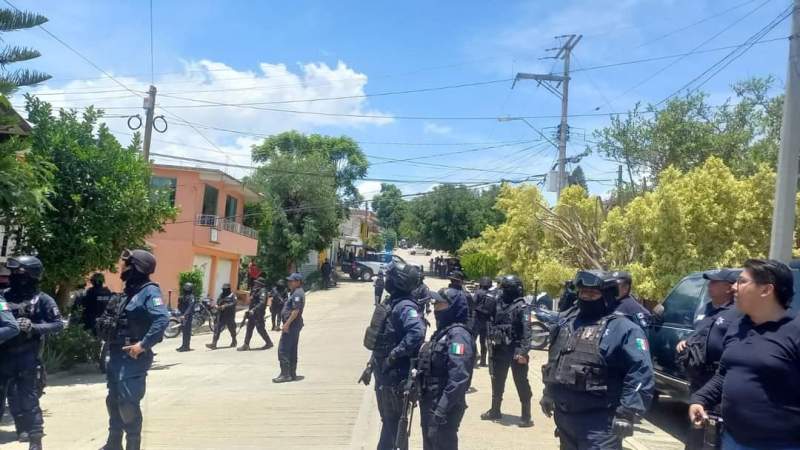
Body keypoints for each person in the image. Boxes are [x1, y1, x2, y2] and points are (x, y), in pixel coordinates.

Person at [690, 259, 800, 450]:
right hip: (732, 440)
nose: (734, 288)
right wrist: (700, 399)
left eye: (742, 281)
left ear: (766, 290)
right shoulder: (737, 327)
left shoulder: (795, 332)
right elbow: (725, 373)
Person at [541, 270, 655, 450]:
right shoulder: (568, 323)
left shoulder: (624, 329)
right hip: (565, 419)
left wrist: (628, 413)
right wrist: (548, 393)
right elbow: (556, 361)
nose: (586, 297)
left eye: (593, 293)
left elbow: (641, 372)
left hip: (600, 425)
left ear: (608, 296)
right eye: (583, 292)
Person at [96, 249, 169, 450]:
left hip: (133, 355)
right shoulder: (130, 292)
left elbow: (162, 318)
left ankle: (133, 445)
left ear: (136, 267)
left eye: (126, 265)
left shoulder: (149, 291)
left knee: (128, 403)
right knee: (113, 400)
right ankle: (113, 442)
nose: (122, 268)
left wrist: (143, 345)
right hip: (117, 353)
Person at [0, 256, 63, 450]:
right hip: (3, 356)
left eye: (18, 274)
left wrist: (33, 327)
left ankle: (35, 441)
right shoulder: (4, 296)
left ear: (31, 275)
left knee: (29, 400)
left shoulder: (42, 299)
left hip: (27, 356)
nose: (13, 278)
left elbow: (58, 324)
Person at [674, 268, 740, 450]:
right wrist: (686, 342)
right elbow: (700, 334)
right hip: (699, 378)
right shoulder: (707, 309)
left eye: (714, 283)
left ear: (728, 288)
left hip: (718, 380)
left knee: (714, 433)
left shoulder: (737, 313)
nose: (709, 286)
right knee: (696, 430)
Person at [368, 261, 426, 450]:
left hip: (395, 376)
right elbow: (382, 339)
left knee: (394, 423)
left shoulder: (405, 306)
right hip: (383, 373)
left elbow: (417, 332)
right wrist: (370, 365)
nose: (386, 281)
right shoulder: (391, 303)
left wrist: (394, 354)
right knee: (389, 421)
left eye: (389, 278)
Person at [418, 289, 475, 450]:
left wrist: (442, 409)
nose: (435, 308)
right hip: (432, 401)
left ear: (452, 307)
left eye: (440, 303)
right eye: (435, 303)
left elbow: (459, 377)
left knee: (442, 443)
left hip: (443, 406)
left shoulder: (458, 336)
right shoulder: (443, 332)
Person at [481, 274, 534, 428]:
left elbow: (527, 331)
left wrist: (523, 352)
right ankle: (495, 410)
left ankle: (526, 415)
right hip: (499, 348)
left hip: (516, 349)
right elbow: (488, 318)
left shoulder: (522, 306)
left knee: (521, 382)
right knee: (497, 380)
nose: (503, 291)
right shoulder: (498, 303)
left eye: (506, 288)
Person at [273, 272, 306, 383]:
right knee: (292, 349)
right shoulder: (295, 292)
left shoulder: (297, 294)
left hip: (292, 325)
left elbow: (295, 311)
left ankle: (285, 374)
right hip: (294, 325)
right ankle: (291, 373)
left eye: (291, 281)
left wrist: (286, 324)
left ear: (298, 282)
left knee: (283, 349)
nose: (289, 283)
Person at [238, 278, 273, 351]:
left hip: (258, 314)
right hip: (252, 313)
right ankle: (246, 344)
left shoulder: (263, 291)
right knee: (249, 328)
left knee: (260, 329)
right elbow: (252, 302)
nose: (255, 284)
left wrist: (254, 309)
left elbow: (262, 303)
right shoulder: (255, 291)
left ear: (260, 284)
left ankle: (269, 342)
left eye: (257, 283)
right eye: (255, 283)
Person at [206, 283, 238, 350]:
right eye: (223, 289)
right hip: (221, 315)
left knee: (232, 329)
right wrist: (217, 305)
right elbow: (218, 301)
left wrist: (225, 306)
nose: (224, 290)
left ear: (229, 289)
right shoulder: (221, 295)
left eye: (225, 289)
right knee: (217, 328)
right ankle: (214, 344)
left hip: (230, 316)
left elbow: (234, 303)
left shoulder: (233, 295)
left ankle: (234, 340)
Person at [472, 277, 495, 368]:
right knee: (483, 341)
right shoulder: (491, 294)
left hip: (477, 319)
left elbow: (473, 303)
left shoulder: (478, 292)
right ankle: (483, 361)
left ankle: (474, 356)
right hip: (487, 321)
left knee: (472, 339)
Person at [175, 282, 196, 352]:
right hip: (183, 316)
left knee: (187, 331)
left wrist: (185, 315)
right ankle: (184, 345)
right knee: (184, 331)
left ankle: (186, 346)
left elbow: (190, 307)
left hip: (188, 316)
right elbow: (180, 306)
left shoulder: (191, 297)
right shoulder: (184, 296)